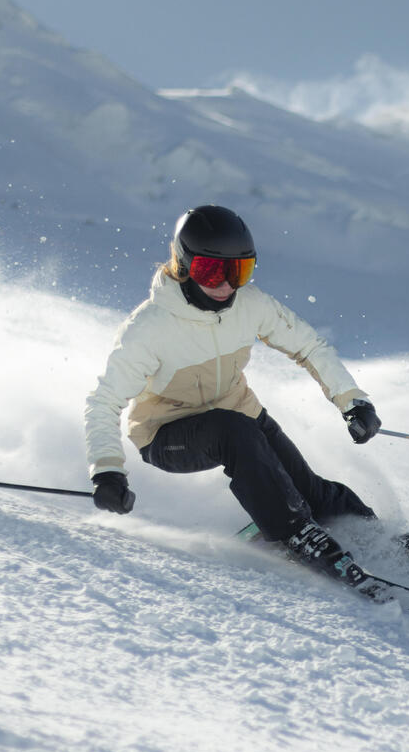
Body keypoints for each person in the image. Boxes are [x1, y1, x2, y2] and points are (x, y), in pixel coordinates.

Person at [83, 204, 383, 572]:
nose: (225, 284)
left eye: (239, 271)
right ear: (183, 265)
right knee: (235, 430)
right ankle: (293, 532)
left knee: (308, 488)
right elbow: (103, 402)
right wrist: (107, 472)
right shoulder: (148, 328)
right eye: (210, 271)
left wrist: (352, 401)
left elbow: (310, 346)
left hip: (238, 416)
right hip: (165, 433)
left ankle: (380, 541)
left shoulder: (250, 305)